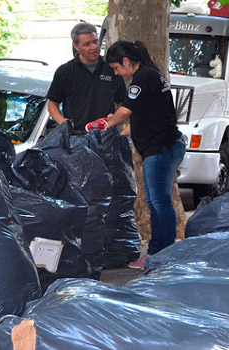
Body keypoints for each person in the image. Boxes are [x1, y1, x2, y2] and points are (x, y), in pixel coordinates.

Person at [102, 40, 186, 269]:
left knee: (159, 201)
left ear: (127, 61)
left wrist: (107, 125)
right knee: (154, 200)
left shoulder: (142, 78)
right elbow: (139, 119)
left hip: (162, 149)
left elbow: (126, 111)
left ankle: (160, 253)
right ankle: (156, 252)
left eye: (117, 68)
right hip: (161, 147)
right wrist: (118, 130)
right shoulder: (150, 76)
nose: (117, 73)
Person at [46, 22, 126, 132]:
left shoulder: (112, 68)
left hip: (105, 134)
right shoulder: (65, 71)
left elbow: (122, 102)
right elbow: (52, 103)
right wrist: (63, 122)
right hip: (75, 136)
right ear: (76, 46)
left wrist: (114, 118)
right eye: (86, 44)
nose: (93, 47)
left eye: (95, 42)